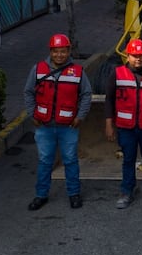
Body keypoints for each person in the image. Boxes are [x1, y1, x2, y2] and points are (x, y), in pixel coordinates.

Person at [23, 33, 91, 211]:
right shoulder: (37, 70)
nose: (59, 55)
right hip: (44, 126)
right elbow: (28, 92)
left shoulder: (78, 72)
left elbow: (86, 95)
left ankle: (74, 194)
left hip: (68, 126)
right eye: (56, 51)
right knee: (45, 161)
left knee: (70, 160)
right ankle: (41, 195)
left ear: (68, 51)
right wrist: (33, 114)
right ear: (50, 52)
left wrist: (80, 116)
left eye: (63, 51)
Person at [104, 39, 142, 209]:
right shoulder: (117, 74)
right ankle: (127, 192)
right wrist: (109, 123)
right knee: (128, 160)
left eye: (141, 55)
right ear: (128, 56)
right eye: (134, 56)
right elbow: (109, 99)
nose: (138, 59)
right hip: (126, 127)